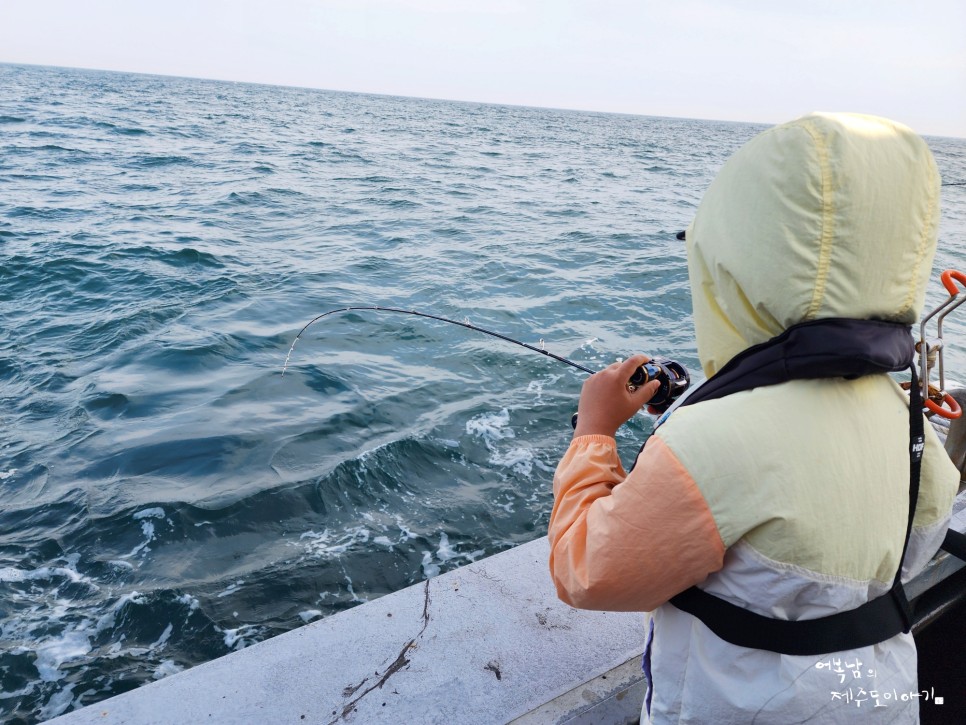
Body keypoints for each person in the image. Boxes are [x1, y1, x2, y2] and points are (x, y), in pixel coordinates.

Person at [548, 112, 960, 723]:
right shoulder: (908, 420)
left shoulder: (711, 443)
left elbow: (588, 571)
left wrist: (595, 432)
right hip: (880, 697)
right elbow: (911, 544)